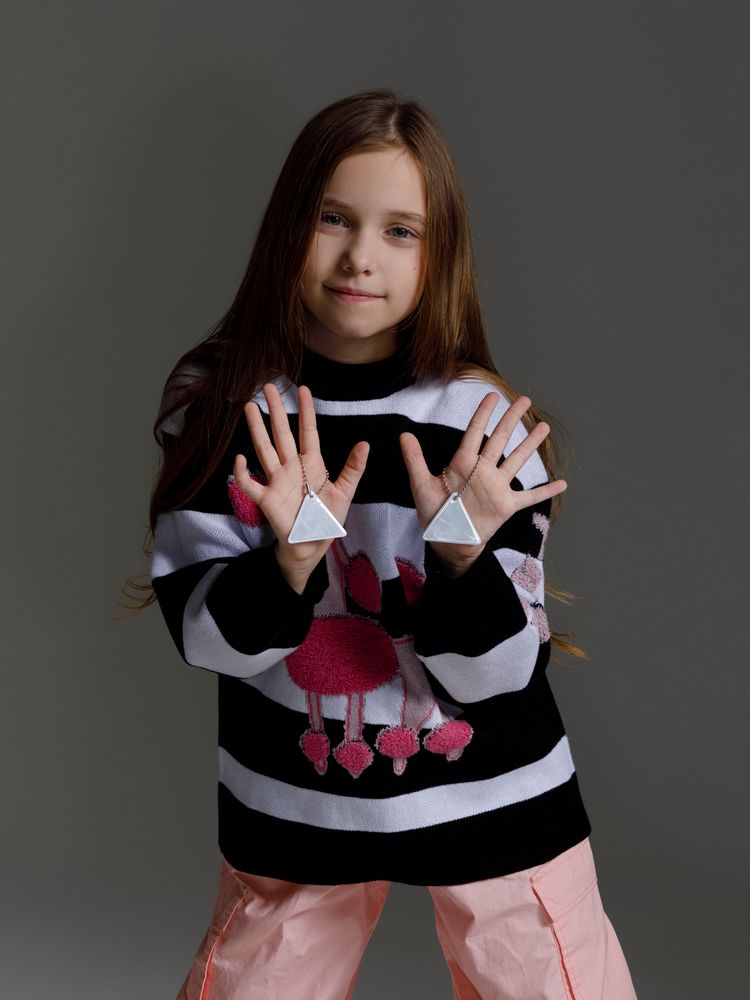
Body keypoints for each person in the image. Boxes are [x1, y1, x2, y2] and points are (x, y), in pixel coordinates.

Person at [131, 89, 638, 998]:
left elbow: (500, 672)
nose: (361, 256)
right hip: (296, 812)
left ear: (441, 255)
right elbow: (208, 640)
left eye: (401, 231)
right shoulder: (222, 407)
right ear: (288, 225)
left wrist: (461, 554)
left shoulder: (479, 422)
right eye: (334, 218)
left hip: (496, 799)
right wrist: (289, 559)